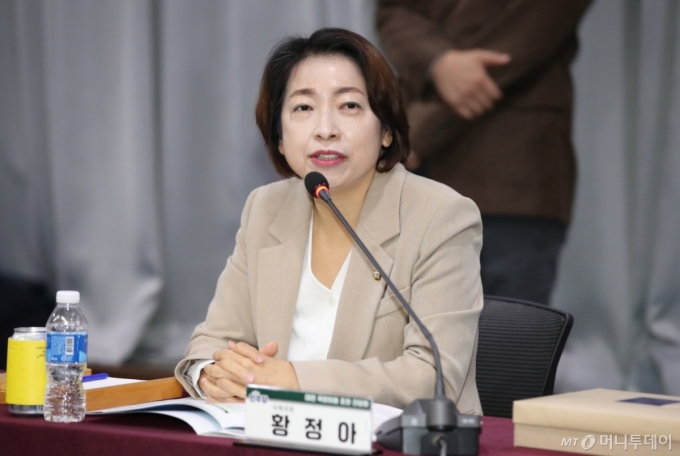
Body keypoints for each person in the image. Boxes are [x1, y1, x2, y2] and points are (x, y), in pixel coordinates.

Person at [174, 28, 483, 413]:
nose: (325, 130)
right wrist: (212, 373)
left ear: (386, 130)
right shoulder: (265, 207)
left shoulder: (440, 215)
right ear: (280, 138)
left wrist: (293, 381)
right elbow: (212, 342)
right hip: (273, 432)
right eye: (303, 108)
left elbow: (434, 376)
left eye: (349, 106)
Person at [376, 1, 592, 305]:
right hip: (416, 178)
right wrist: (438, 61)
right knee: (409, 321)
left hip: (510, 170)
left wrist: (413, 132)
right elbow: (394, 10)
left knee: (508, 325)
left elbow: (523, 33)